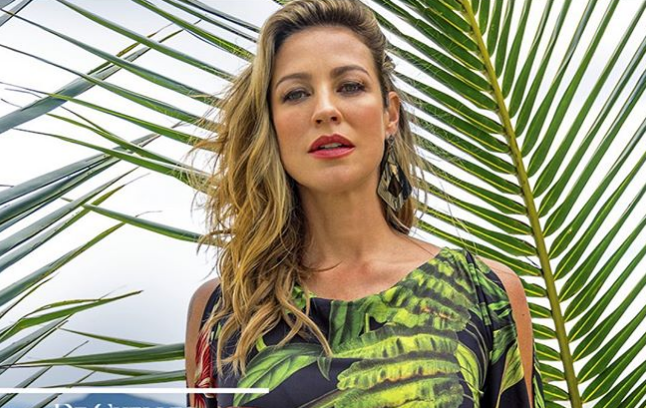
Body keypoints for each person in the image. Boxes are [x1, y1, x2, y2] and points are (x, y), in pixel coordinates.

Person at [185, 0, 544, 407]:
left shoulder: (485, 294)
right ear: (271, 124)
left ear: (390, 114)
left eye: (350, 86)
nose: (325, 110)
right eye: (296, 94)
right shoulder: (222, 312)